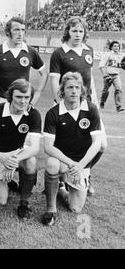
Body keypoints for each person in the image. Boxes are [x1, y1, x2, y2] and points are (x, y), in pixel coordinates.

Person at [49, 16, 107, 196]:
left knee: (101, 145)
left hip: (87, 106)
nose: (78, 34)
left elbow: (90, 79)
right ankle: (60, 182)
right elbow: (54, 81)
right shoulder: (59, 53)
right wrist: (61, 106)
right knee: (64, 145)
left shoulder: (88, 50)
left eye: (81, 31)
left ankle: (84, 173)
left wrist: (95, 101)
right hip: (67, 104)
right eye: (74, 30)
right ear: (67, 32)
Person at [41, 72, 102, 226]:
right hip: (63, 160)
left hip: (81, 163)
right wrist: (71, 163)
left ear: (82, 90)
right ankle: (51, 209)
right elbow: (48, 147)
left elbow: (97, 144)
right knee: (52, 164)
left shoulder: (92, 109)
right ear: (62, 91)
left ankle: (62, 188)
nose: (74, 91)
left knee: (75, 208)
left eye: (77, 87)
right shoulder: (53, 113)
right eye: (69, 87)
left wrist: (80, 165)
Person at [0, 79, 42, 219]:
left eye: (26, 97)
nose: (23, 101)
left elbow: (35, 147)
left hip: (17, 155)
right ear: (10, 96)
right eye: (19, 97)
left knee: (31, 161)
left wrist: (13, 160)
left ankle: (24, 202)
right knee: (1, 201)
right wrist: (4, 160)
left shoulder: (33, 114)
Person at [0, 17, 48, 107]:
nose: (20, 33)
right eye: (16, 30)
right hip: (0, 102)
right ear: (8, 32)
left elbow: (44, 73)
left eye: (23, 30)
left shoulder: (31, 52)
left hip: (22, 103)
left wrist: (36, 96)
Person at [99, 40, 124, 112]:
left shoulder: (121, 55)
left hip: (116, 75)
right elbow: (101, 65)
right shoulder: (108, 54)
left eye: (118, 46)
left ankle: (118, 107)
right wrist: (105, 75)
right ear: (111, 47)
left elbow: (121, 65)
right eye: (115, 46)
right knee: (106, 91)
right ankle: (102, 102)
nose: (116, 47)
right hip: (108, 74)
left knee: (118, 89)